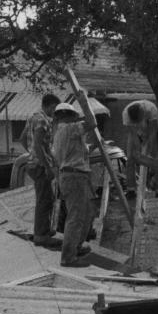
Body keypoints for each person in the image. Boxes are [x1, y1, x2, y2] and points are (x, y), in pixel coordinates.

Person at [50, 102, 96, 267]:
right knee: (76, 217)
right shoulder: (70, 128)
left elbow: (79, 152)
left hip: (72, 175)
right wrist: (84, 101)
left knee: (86, 213)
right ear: (70, 116)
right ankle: (68, 256)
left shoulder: (61, 133)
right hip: (74, 176)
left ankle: (75, 247)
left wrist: (95, 145)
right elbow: (92, 123)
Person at [23, 93, 62, 248]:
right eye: (55, 109)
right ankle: (41, 235)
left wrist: (32, 154)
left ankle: (43, 230)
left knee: (47, 198)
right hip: (40, 166)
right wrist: (47, 166)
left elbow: (22, 138)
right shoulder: (42, 121)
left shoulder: (33, 117)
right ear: (52, 106)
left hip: (33, 163)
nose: (55, 112)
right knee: (44, 200)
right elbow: (38, 145)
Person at [121, 99, 158, 193]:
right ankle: (131, 189)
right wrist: (138, 152)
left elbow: (152, 133)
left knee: (155, 157)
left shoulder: (151, 109)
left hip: (150, 130)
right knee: (130, 158)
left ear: (142, 113)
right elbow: (133, 135)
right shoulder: (126, 114)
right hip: (135, 132)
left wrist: (148, 150)